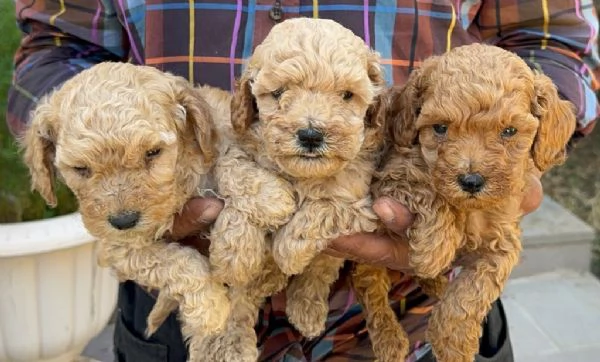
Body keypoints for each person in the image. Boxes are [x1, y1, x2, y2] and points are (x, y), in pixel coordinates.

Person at [7, 1, 599, 361]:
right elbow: (55, 46)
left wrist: (523, 154)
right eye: (277, 97)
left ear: (371, 102)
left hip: (422, 305)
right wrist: (107, 154)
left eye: (346, 97)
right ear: (247, 102)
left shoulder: (393, 123)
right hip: (187, 307)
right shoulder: (225, 123)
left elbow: (555, 42)